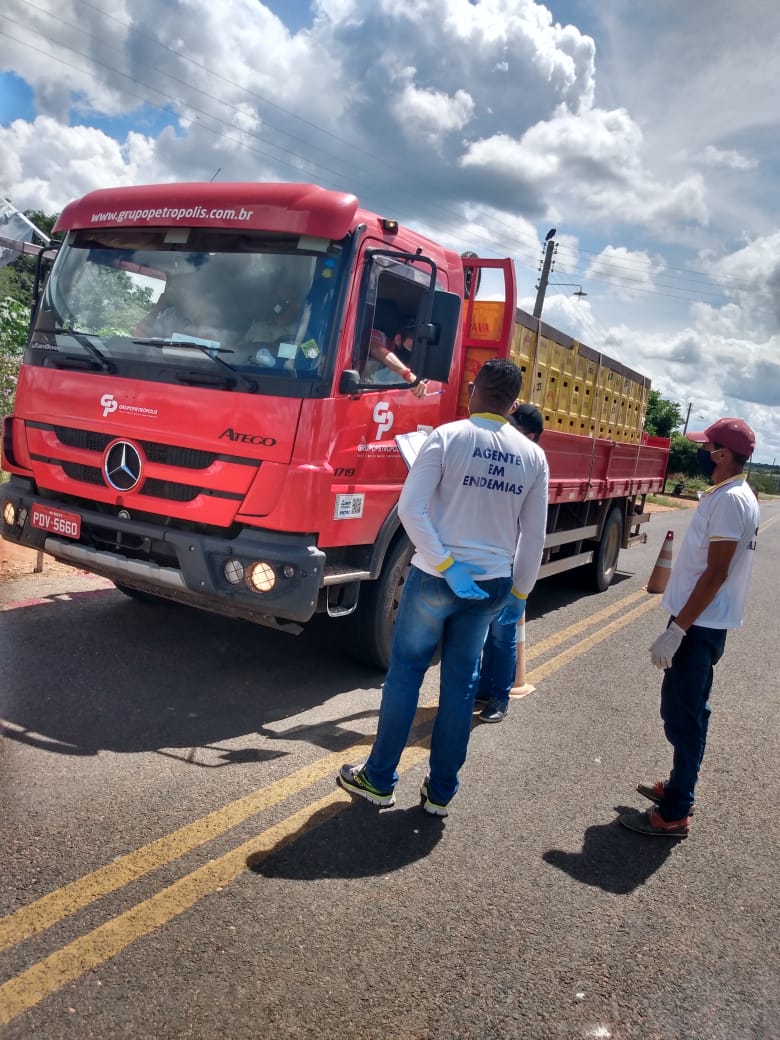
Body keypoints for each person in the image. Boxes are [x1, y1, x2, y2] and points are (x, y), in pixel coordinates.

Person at [337, 359, 550, 816]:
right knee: (461, 684)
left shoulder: (447, 436)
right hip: (491, 584)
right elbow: (534, 536)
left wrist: (448, 565)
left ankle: (379, 779)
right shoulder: (533, 456)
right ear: (514, 405)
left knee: (406, 675)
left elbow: (412, 510)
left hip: (435, 578)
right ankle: (441, 792)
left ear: (474, 391)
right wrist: (520, 594)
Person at [619, 417, 760, 839]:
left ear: (722, 454)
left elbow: (716, 572)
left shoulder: (730, 501)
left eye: (706, 446)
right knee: (686, 710)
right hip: (698, 621)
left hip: (698, 625)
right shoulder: (730, 494)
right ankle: (680, 787)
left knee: (684, 715)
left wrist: (678, 629)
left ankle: (675, 811)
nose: (700, 452)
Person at [476, 403, 545, 722]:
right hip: (490, 562)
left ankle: (499, 698)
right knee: (485, 634)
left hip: (512, 566)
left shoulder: (532, 465)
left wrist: (521, 589)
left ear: (530, 435)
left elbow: (533, 534)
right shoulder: (504, 459)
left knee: (503, 637)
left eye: (515, 426)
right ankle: (483, 687)